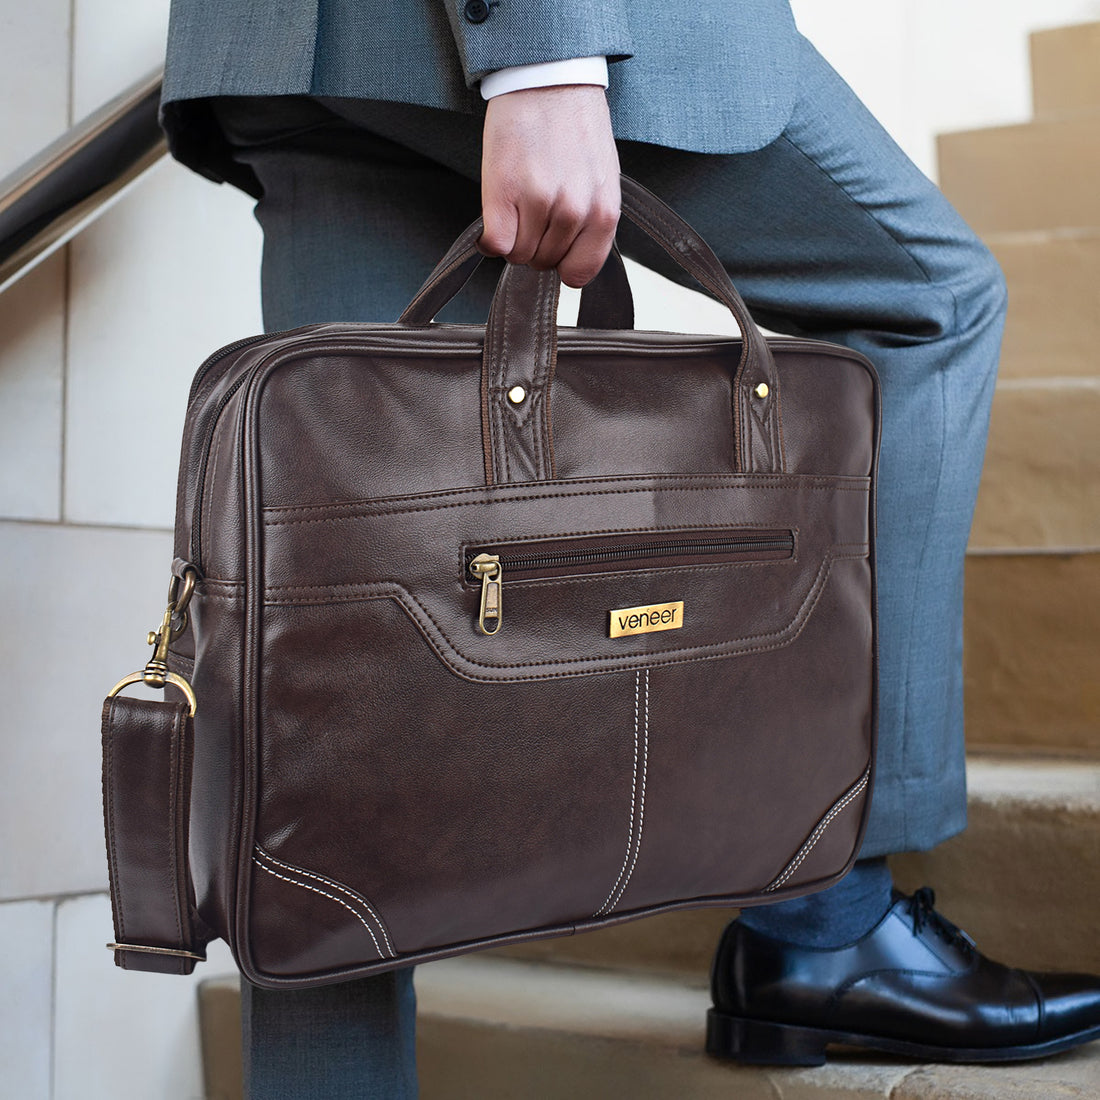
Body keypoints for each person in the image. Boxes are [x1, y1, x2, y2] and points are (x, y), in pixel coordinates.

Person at [159, 1, 1100, 1093]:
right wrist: (539, 57)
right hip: (510, 32)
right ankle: (825, 920)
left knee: (338, 771)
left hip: (292, 45)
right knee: (928, 298)